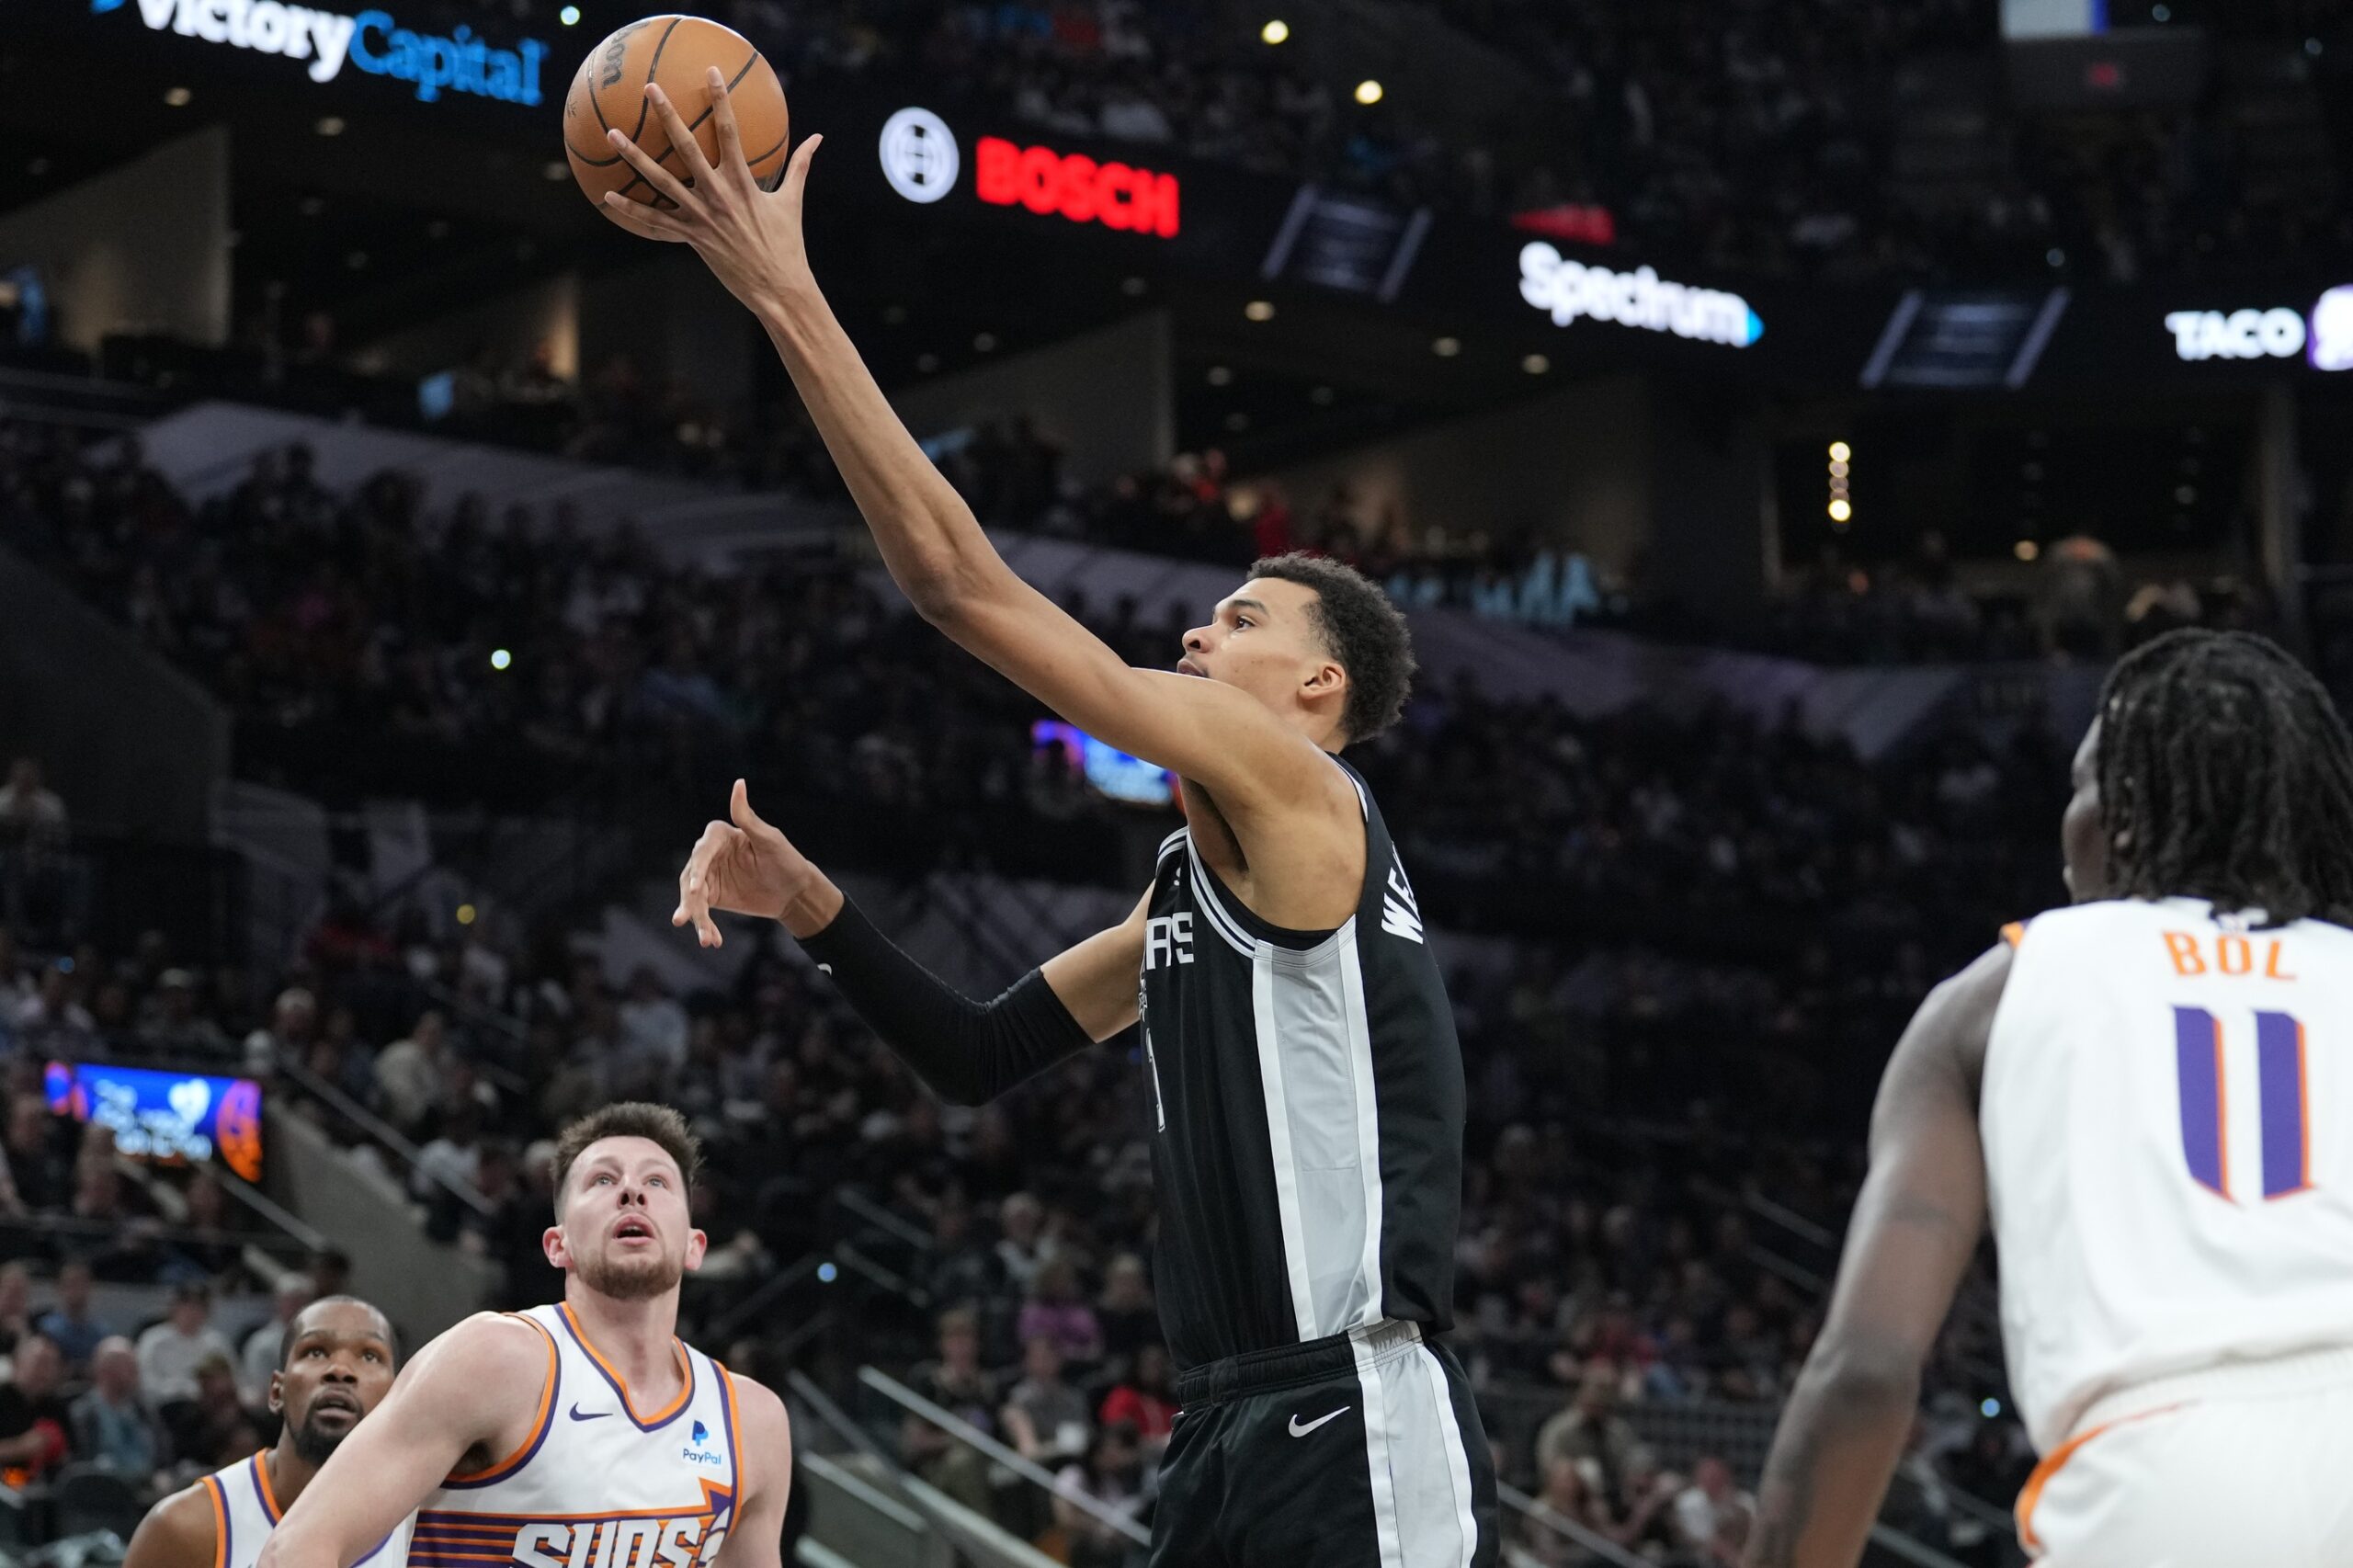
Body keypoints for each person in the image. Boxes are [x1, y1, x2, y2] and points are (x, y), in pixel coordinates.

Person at [635, 74, 1494, 1567]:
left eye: (1238, 619)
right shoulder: (1199, 892)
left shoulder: (1308, 786)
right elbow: (979, 1058)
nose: (1195, 638)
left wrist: (787, 298)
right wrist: (819, 912)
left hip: (1350, 1416)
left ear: (1316, 685)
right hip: (1229, 1423)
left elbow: (961, 588)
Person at [1746, 631, 2353, 1568]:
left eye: (2078, 786)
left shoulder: (1997, 991)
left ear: (2121, 815)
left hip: (2163, 1483)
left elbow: (1865, 1369)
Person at [259, 1103, 792, 1568]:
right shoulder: (495, 1360)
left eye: (657, 1182)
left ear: (695, 1245)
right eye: (603, 1181)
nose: (632, 1190)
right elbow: (298, 1550)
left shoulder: (752, 1421)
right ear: (557, 1245)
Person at [123, 1298, 409, 1568]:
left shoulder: (425, 1529)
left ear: (395, 1397)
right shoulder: (185, 1529)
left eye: (370, 1356)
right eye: (316, 1351)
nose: (340, 1370)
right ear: (276, 1392)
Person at [70, 1335, 169, 1491]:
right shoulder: (84, 1413)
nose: (135, 1372)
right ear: (105, 1371)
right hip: (104, 1490)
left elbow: (163, 1455)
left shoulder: (144, 1410)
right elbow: (81, 1460)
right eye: (128, 1366)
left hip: (147, 1487)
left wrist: (163, 1473)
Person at [137, 1281, 236, 1411]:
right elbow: (146, 1383)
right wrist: (182, 1389)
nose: (192, 1312)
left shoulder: (216, 1342)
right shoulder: (154, 1340)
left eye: (199, 1307)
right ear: (174, 1307)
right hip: (169, 1406)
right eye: (187, 1306)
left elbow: (233, 1380)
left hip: (211, 1408)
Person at [242, 1275, 315, 1406]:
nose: (297, 1306)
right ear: (279, 1302)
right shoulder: (262, 1343)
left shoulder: (319, 1340)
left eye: (302, 1301)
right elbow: (264, 1389)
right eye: (292, 1301)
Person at [40, 1258, 114, 1372]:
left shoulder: (102, 1332)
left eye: (81, 1284)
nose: (76, 1291)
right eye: (70, 1284)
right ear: (59, 1288)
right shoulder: (46, 1329)